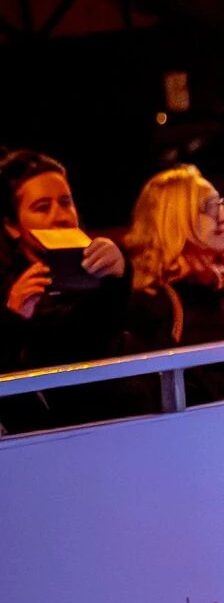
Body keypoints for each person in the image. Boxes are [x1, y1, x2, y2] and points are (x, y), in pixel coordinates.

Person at [0, 148, 136, 430]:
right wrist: (12, 318)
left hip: (119, 428)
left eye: (66, 202)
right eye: (42, 207)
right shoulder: (9, 290)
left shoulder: (102, 271)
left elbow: (102, 336)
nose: (61, 217)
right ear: (12, 226)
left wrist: (120, 276)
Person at [120, 166, 224, 405]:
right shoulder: (151, 305)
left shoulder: (223, 292)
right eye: (210, 208)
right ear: (172, 219)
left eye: (221, 204)